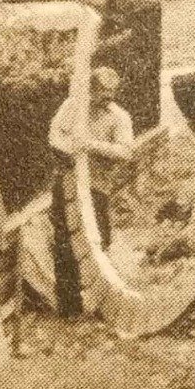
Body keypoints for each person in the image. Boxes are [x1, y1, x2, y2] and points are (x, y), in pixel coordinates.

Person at [47, 66, 133, 315]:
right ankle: (69, 305)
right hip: (66, 182)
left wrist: (91, 145)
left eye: (112, 92)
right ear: (91, 89)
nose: (108, 97)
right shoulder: (72, 106)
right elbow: (54, 136)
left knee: (99, 239)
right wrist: (70, 150)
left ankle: (100, 301)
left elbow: (126, 151)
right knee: (64, 240)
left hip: (96, 187)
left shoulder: (119, 117)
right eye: (103, 91)